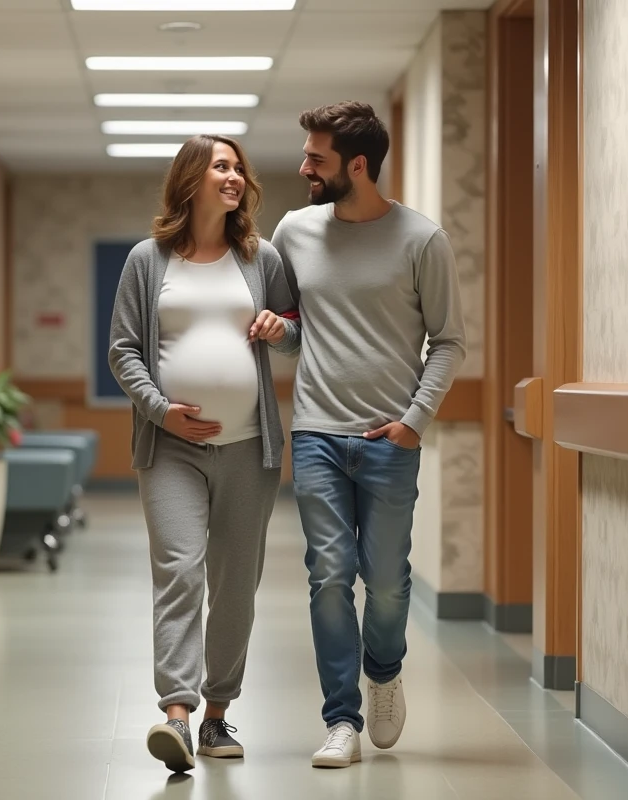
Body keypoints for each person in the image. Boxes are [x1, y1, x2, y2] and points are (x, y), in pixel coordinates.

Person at [270, 102, 467, 768]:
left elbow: (448, 342)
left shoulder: (421, 239)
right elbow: (299, 330)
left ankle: (384, 670)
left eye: (316, 159)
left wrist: (415, 422)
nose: (304, 168)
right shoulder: (295, 232)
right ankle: (341, 719)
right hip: (317, 434)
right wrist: (280, 332)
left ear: (358, 165)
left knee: (384, 582)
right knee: (329, 575)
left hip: (389, 438)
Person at [108, 134, 299, 773]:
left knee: (236, 585)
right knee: (181, 572)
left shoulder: (261, 258)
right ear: (191, 178)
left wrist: (281, 328)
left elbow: (297, 337)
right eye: (222, 166)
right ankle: (178, 716)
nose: (235, 176)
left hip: (250, 449)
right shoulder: (147, 259)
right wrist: (163, 411)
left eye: (239, 167)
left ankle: (219, 715)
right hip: (170, 450)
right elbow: (124, 350)